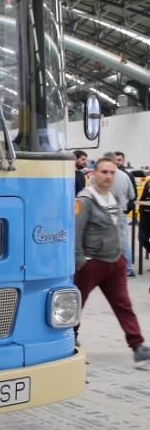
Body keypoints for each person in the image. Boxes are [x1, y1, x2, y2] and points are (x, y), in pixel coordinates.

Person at [75, 155, 150, 367]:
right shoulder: (84, 200)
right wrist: (81, 261)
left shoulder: (114, 198)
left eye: (112, 172)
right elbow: (76, 232)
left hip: (115, 263)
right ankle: (68, 343)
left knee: (123, 305)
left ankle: (138, 348)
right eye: (104, 172)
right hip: (91, 264)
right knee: (76, 304)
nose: (108, 176)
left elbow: (118, 228)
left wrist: (122, 258)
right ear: (94, 174)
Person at [103, 151, 138, 277]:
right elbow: (132, 195)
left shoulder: (100, 175)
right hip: (122, 213)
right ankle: (128, 269)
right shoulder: (125, 176)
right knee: (123, 242)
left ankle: (107, 270)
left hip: (104, 213)